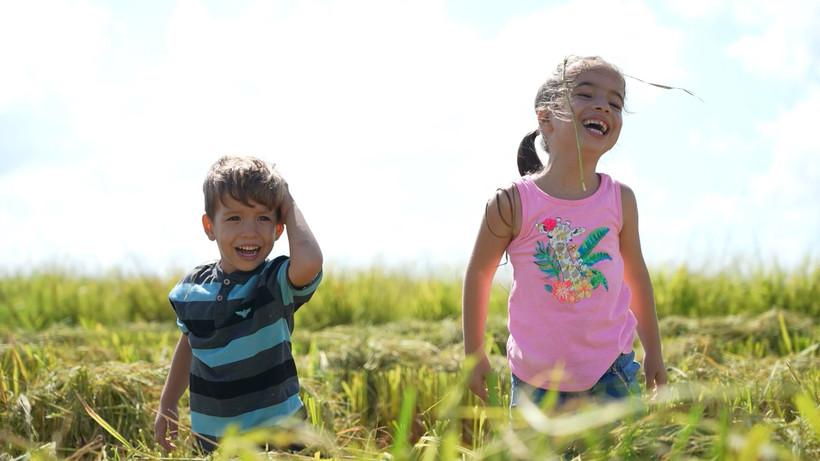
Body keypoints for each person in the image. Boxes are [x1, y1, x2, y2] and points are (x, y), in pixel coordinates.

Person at [462, 56, 666, 411]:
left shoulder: (620, 200)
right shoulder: (512, 203)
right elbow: (479, 275)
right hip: (535, 383)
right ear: (545, 118)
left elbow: (636, 277)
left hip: (613, 373)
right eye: (586, 95)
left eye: (615, 103)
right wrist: (473, 354)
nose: (603, 105)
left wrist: (654, 352)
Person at [154, 155, 323, 453]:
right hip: (215, 444)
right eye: (234, 218)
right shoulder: (191, 288)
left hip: (279, 441)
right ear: (210, 227)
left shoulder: (273, 282)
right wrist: (167, 402)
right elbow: (189, 345)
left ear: (278, 229)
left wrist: (287, 199)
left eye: (263, 218)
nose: (249, 231)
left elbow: (309, 263)